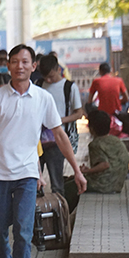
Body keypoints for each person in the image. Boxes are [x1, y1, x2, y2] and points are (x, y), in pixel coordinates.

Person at [0, 45, 87, 258]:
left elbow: (59, 135)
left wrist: (77, 170)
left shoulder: (43, 98)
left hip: (27, 174)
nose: (19, 66)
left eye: (25, 62)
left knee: (23, 229)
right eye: (14, 62)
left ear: (34, 66)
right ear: (8, 66)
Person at [36, 54, 84, 195]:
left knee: (57, 184)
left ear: (58, 69)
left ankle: (60, 213)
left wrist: (58, 121)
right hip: (38, 140)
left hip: (58, 140)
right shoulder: (38, 85)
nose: (48, 80)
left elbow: (79, 113)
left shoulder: (69, 87)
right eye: (45, 77)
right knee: (35, 182)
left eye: (51, 76)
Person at [80, 110, 129, 193]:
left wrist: (87, 171)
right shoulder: (117, 141)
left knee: (74, 182)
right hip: (118, 184)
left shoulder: (95, 144)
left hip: (103, 185)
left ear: (91, 129)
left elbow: (104, 165)